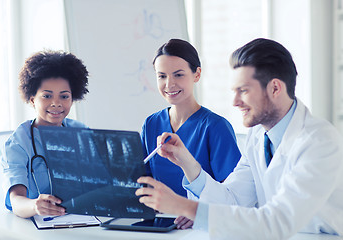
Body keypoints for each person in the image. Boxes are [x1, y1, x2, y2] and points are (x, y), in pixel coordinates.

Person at [136, 38, 343, 239]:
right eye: (234, 91)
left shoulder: (319, 141)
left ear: (275, 88)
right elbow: (232, 200)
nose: (235, 102)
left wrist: (182, 205)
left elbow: (278, 222)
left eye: (243, 91)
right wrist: (187, 162)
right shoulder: (258, 135)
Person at [141, 39, 241, 228]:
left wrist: (197, 210)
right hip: (159, 224)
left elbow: (232, 195)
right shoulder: (151, 124)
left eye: (178, 75)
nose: (169, 84)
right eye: (162, 76)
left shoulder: (216, 127)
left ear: (197, 74)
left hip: (200, 225)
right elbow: (142, 183)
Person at [0, 50, 89, 218]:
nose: (56, 103)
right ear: (32, 99)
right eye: (47, 96)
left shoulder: (82, 133)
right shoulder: (18, 143)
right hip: (37, 227)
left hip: (82, 221)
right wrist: (35, 206)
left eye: (64, 96)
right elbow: (16, 201)